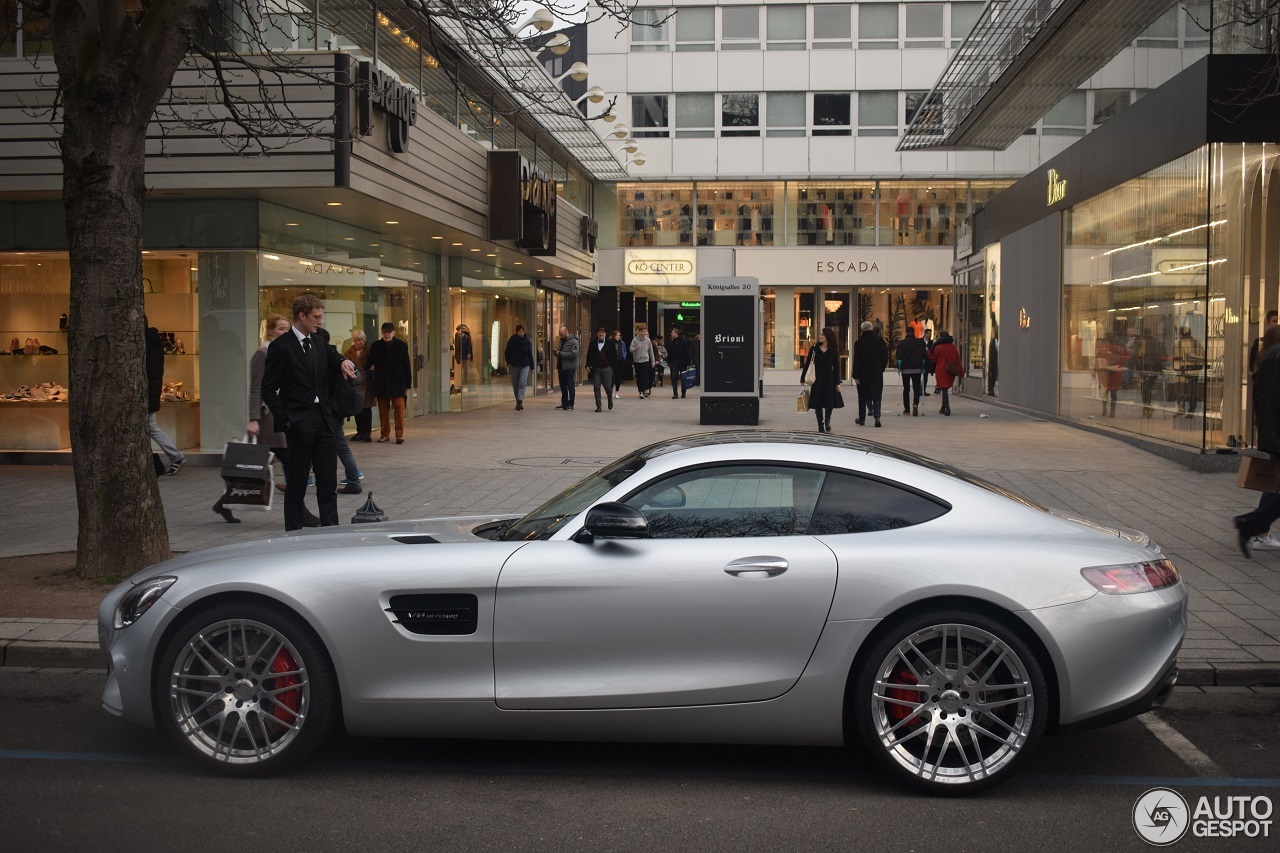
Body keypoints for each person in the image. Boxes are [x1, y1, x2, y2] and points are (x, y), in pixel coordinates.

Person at [262, 293, 358, 532]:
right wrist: (287, 420)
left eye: (321, 317)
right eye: (316, 317)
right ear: (302, 316)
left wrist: (342, 361)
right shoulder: (280, 347)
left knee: (328, 481)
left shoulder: (318, 342)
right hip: (298, 422)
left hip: (324, 420)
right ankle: (294, 532)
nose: (320, 321)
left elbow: (331, 355)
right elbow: (267, 389)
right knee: (297, 482)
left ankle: (331, 532)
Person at [214, 313, 314, 525]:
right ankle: (300, 512)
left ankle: (223, 503)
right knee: (291, 464)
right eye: (281, 329)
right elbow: (257, 388)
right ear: (270, 331)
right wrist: (253, 418)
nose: (285, 333)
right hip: (269, 421)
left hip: (281, 417)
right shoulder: (263, 354)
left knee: (283, 465)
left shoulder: (283, 351)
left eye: (287, 329)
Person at [1234, 324, 1280, 557]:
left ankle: (1255, 527)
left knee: (1274, 485)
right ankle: (1252, 524)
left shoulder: (1264, 361)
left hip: (1272, 433)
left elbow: (1260, 402)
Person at [317, 325, 363, 493]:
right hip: (335, 409)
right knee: (337, 445)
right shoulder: (336, 358)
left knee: (339, 445)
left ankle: (353, 480)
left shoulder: (328, 360)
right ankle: (353, 480)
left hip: (329, 410)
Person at [145, 317, 186, 475]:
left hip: (147, 390)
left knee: (150, 426)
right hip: (153, 388)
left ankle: (175, 456)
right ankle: (172, 457)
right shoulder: (155, 341)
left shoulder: (144, 343)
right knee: (150, 425)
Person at [368, 321, 411, 443]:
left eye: (389, 332)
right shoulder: (376, 346)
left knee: (399, 408)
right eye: (384, 332)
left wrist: (408, 384)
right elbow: (369, 363)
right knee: (383, 410)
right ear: (381, 333)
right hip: (381, 382)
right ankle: (385, 434)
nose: (386, 334)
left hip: (398, 382)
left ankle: (399, 434)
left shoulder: (402, 346)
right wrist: (371, 369)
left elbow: (407, 366)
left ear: (394, 333)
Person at [801, 327, 843, 433]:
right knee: (818, 403)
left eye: (822, 335)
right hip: (817, 379)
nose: (820, 336)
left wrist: (837, 382)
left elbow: (836, 366)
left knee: (829, 403)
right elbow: (808, 364)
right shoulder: (814, 348)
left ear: (827, 337)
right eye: (820, 335)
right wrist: (802, 377)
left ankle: (827, 420)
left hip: (830, 380)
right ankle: (820, 425)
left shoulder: (832, 350)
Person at [851, 321, 889, 427]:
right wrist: (881, 368)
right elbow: (885, 357)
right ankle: (877, 417)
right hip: (876, 372)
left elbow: (856, 360)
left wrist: (856, 375)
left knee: (862, 396)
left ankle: (862, 419)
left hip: (863, 374)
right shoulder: (880, 342)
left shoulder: (859, 343)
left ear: (862, 330)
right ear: (872, 329)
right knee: (877, 395)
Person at [343, 330, 374, 441]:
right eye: (355, 340)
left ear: (364, 340)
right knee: (357, 408)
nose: (357, 342)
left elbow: (374, 364)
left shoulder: (370, 351)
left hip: (367, 383)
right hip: (355, 383)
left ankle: (367, 433)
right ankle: (359, 431)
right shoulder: (348, 352)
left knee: (366, 409)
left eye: (360, 340)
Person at [1134, 326, 1166, 418]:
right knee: (1147, 387)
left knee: (1145, 388)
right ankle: (1147, 407)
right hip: (1154, 368)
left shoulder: (1142, 344)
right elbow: (1163, 355)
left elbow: (1138, 356)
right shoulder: (1157, 343)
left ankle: (1147, 407)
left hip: (1144, 368)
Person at [896, 325, 928, 416]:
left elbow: (899, 357)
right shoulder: (920, 342)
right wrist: (923, 367)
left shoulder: (901, 343)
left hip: (905, 369)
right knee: (916, 388)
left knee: (906, 389)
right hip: (917, 369)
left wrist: (899, 368)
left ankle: (906, 409)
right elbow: (924, 356)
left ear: (906, 332)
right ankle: (915, 404)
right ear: (913, 332)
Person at [929, 330, 963, 416]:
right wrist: (961, 371)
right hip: (950, 370)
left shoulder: (938, 347)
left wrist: (927, 352)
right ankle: (943, 408)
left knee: (943, 388)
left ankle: (947, 408)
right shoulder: (953, 347)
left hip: (941, 371)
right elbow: (957, 360)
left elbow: (933, 359)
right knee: (945, 388)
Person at [586, 327, 621, 412]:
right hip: (596, 368)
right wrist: (587, 365)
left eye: (602, 332)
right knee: (596, 387)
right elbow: (589, 355)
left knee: (607, 387)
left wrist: (612, 367)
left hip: (607, 368)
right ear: (597, 334)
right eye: (599, 332)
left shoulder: (610, 343)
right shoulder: (593, 343)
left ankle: (610, 400)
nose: (601, 334)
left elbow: (614, 356)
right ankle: (599, 406)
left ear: (605, 334)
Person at [1093, 333, 1127, 418]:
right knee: (1113, 392)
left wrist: (1095, 370)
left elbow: (1098, 359)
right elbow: (1124, 359)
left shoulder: (1103, 347)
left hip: (1104, 372)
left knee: (1104, 391)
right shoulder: (1121, 347)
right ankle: (1112, 411)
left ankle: (1104, 409)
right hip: (1116, 371)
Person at [504, 324, 534, 411]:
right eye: (520, 331)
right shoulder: (512, 340)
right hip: (514, 364)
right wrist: (508, 363)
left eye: (522, 331)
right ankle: (518, 400)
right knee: (515, 384)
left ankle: (520, 401)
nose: (521, 333)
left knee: (522, 383)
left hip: (525, 364)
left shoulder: (527, 340)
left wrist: (532, 366)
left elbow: (529, 353)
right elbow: (507, 352)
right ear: (516, 332)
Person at [555, 325, 579, 411]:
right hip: (561, 366)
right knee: (563, 385)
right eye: (559, 335)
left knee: (570, 385)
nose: (561, 336)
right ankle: (564, 402)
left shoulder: (574, 341)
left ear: (566, 332)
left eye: (561, 334)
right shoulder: (561, 341)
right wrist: (556, 352)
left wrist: (560, 353)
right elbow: (560, 350)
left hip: (570, 367)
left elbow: (573, 354)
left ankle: (571, 403)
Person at [630, 326, 656, 398]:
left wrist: (653, 361)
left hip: (645, 360)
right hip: (637, 360)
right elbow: (630, 349)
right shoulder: (635, 340)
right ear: (639, 332)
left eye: (645, 331)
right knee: (639, 376)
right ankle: (640, 390)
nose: (645, 333)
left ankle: (643, 390)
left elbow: (651, 351)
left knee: (645, 376)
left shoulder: (648, 340)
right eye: (643, 331)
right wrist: (636, 348)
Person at [667, 327, 693, 399]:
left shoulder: (684, 342)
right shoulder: (672, 342)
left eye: (672, 332)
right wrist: (670, 362)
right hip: (674, 362)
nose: (671, 334)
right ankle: (675, 393)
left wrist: (688, 363)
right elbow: (670, 353)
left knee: (683, 378)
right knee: (674, 377)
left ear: (676, 333)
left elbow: (687, 353)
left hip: (682, 362)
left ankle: (683, 392)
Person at [453, 324, 473, 391]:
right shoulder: (457, 335)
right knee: (460, 367)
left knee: (465, 367)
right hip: (459, 353)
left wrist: (469, 353)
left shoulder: (467, 336)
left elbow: (469, 346)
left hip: (465, 353)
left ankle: (465, 379)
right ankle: (460, 380)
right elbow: (456, 344)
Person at [611, 330, 628, 399]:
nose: (618, 337)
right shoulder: (610, 342)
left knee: (618, 377)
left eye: (619, 335)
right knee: (612, 377)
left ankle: (617, 392)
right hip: (612, 361)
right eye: (616, 335)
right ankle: (611, 391)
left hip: (620, 361)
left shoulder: (622, 343)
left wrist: (624, 357)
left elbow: (624, 350)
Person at [921, 328, 935, 397]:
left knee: (925, 376)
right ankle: (919, 390)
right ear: (925, 334)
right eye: (929, 334)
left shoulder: (931, 342)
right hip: (920, 361)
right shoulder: (920, 341)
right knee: (919, 376)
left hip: (927, 362)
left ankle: (923, 390)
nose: (930, 335)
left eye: (930, 334)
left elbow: (932, 351)